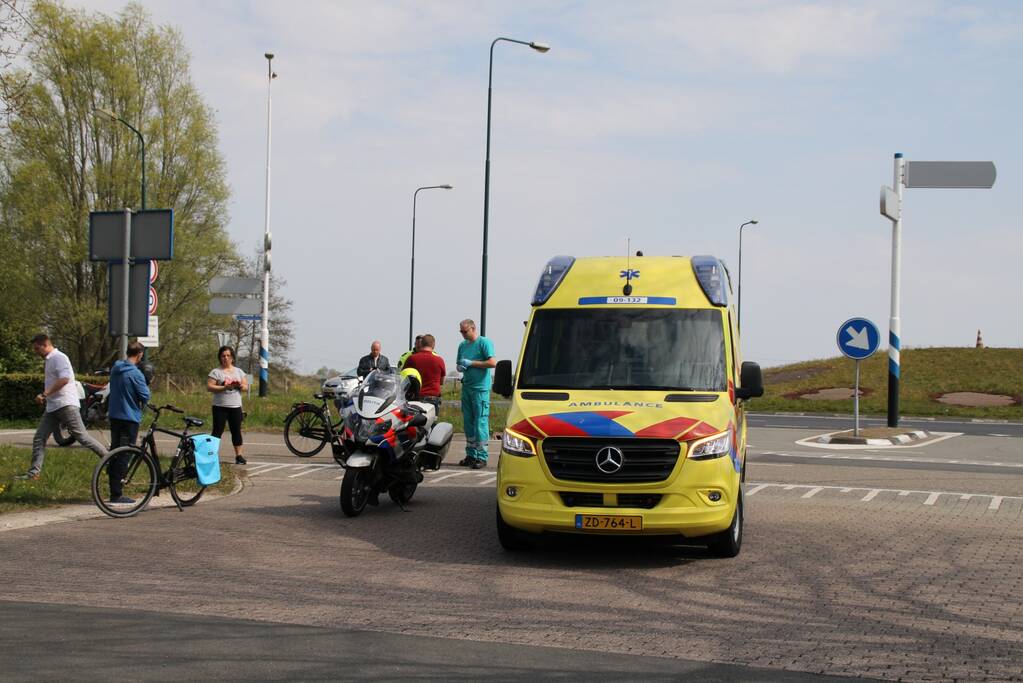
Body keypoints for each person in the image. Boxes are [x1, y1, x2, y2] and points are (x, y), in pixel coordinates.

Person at [17, 334, 107, 480]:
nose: (36, 352)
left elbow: (64, 379)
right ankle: (34, 473)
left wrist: (45, 394)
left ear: (44, 344)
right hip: (53, 407)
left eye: (37, 348)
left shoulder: (59, 357)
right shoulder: (49, 360)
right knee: (39, 438)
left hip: (65, 404)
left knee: (82, 437)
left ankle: (109, 459)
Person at [106, 340, 152, 503]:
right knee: (124, 455)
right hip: (129, 418)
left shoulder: (116, 368)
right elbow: (145, 396)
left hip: (114, 416)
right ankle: (117, 494)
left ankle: (112, 488)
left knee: (115, 452)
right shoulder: (136, 374)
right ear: (139, 355)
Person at [456, 319, 496, 469]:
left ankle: (482, 456)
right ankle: (471, 454)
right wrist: (461, 367)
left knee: (480, 423)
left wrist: (471, 363)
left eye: (464, 331)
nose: (462, 334)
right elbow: (459, 363)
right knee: (468, 423)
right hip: (467, 387)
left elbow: (492, 363)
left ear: (473, 329)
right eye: (461, 331)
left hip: (480, 389)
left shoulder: (484, 343)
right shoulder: (462, 346)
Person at [207, 345, 248, 465]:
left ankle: (239, 455)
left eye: (228, 355)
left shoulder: (239, 371)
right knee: (217, 432)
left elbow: (246, 386)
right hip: (220, 407)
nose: (225, 358)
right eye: (223, 356)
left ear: (232, 358)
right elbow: (209, 387)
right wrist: (224, 387)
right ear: (220, 358)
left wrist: (241, 386)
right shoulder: (216, 372)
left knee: (236, 431)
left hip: (235, 407)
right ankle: (211, 455)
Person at [404, 333, 446, 416]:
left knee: (413, 425)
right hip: (432, 399)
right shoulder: (439, 360)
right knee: (431, 425)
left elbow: (404, 377)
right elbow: (442, 381)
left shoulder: (412, 359)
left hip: (415, 398)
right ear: (433, 345)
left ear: (421, 344)